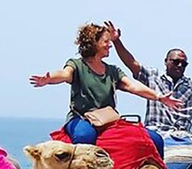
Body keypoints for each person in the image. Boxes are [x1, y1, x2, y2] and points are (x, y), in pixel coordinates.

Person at [29, 22, 182, 157]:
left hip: (108, 120)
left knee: (155, 139)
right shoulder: (77, 65)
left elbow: (132, 85)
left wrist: (158, 97)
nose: (110, 45)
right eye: (106, 41)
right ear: (94, 43)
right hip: (82, 118)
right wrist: (49, 79)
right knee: (85, 137)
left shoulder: (112, 70)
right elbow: (64, 74)